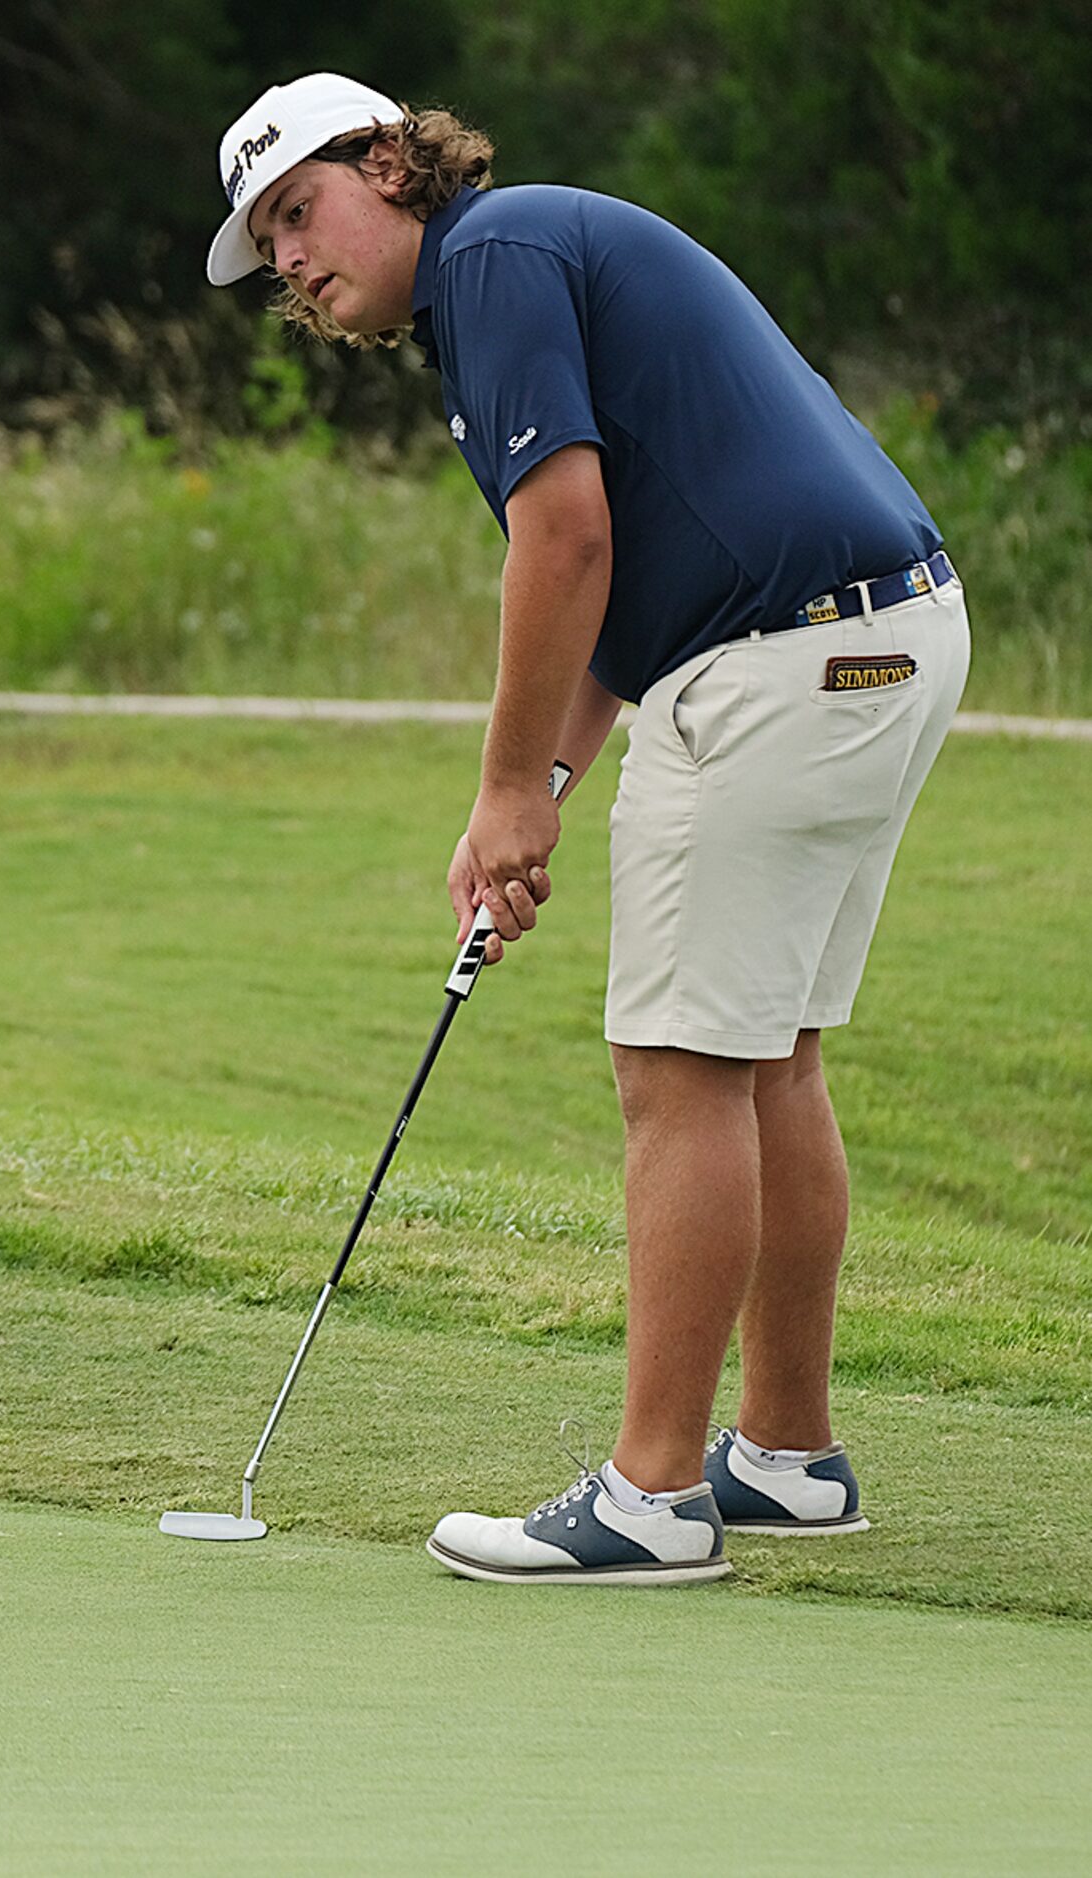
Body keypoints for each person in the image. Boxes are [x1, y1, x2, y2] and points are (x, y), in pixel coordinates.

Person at [205, 74, 970, 1584]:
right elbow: (623, 586)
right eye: (267, 245)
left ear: (389, 163)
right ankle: (789, 1459)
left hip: (778, 660)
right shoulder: (534, 251)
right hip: (889, 639)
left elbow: (566, 539)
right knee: (770, 1054)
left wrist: (501, 790)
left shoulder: (489, 265)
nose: (290, 261)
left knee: (679, 1070)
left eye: (300, 210)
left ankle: (651, 1497)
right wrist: (534, 799)